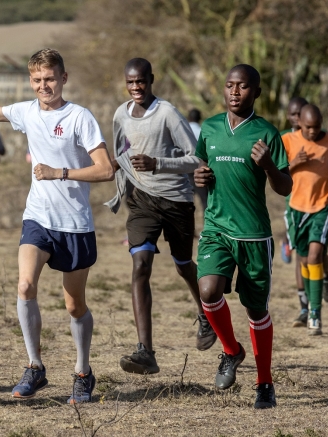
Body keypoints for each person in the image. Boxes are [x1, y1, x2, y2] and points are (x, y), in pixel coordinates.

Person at [0, 48, 115, 404]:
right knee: (25, 283)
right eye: (36, 80)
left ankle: (82, 372)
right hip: (38, 218)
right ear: (30, 81)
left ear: (63, 78)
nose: (43, 86)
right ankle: (34, 366)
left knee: (74, 305)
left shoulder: (80, 117)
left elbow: (105, 170)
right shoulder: (26, 112)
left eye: (49, 79)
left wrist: (59, 173)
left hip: (74, 224)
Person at [105, 58, 216, 376]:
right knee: (140, 265)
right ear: (125, 83)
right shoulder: (120, 114)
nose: (136, 87)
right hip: (141, 203)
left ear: (151, 80)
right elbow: (121, 149)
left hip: (177, 202)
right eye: (130, 82)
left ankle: (205, 313)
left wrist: (158, 164)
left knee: (183, 265)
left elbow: (197, 158)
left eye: (141, 81)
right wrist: (115, 169)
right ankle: (146, 352)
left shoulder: (166, 113)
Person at [194, 64, 292, 409]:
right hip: (216, 228)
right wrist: (200, 178)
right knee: (208, 290)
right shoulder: (209, 127)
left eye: (244, 86)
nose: (235, 92)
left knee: (255, 310)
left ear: (257, 93)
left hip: (253, 236)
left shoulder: (267, 133)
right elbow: (201, 167)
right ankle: (231, 350)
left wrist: (268, 166)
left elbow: (285, 187)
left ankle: (264, 384)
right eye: (230, 85)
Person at [281, 98, 328, 326]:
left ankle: (315, 311)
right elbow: (275, 171)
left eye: (316, 126)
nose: (313, 131)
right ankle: (304, 307)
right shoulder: (286, 140)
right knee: (304, 258)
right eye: (308, 127)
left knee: (316, 255)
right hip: (295, 207)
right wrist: (295, 162)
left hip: (322, 206)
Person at [187, 108, 208, 211]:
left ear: (188, 117)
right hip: (199, 167)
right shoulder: (202, 131)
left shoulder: (184, 130)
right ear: (199, 119)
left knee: (185, 199)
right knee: (205, 200)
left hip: (184, 168)